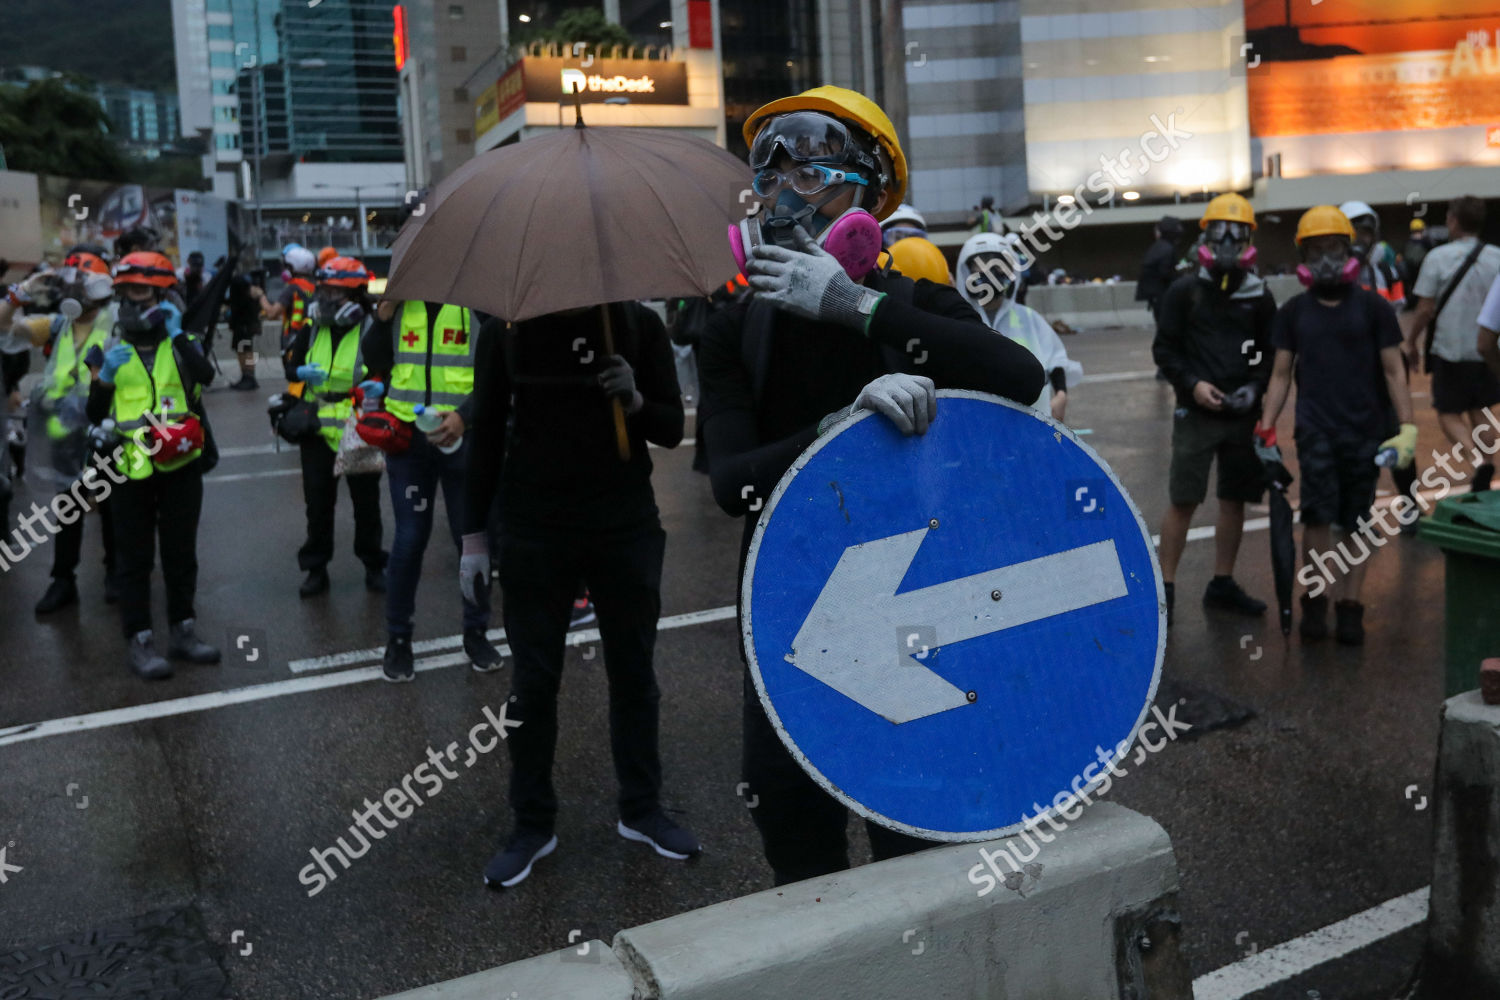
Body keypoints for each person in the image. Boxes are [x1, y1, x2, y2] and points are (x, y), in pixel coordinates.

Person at [698, 86, 1045, 885]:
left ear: (868, 194)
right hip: (789, 614)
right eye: (772, 181)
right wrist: (830, 435)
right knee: (795, 835)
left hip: (918, 606)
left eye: (810, 179)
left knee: (915, 841)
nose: (786, 199)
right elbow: (729, 484)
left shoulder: (909, 303)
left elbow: (1019, 376)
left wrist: (856, 306)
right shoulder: (732, 327)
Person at [460, 298, 693, 887]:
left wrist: (635, 400)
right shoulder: (506, 332)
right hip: (536, 528)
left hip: (626, 525)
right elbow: (483, 430)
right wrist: (472, 538)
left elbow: (669, 428)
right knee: (533, 685)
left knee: (635, 674)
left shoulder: (636, 325)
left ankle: (641, 810)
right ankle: (532, 823)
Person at [1257, 207, 1417, 643]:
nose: (1326, 257)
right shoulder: (1293, 312)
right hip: (1316, 430)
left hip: (1365, 429)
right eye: (1316, 249)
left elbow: (1393, 371)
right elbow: (1280, 374)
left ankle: (1350, 606)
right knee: (1317, 516)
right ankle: (1316, 599)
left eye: (1334, 248)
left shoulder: (1374, 308)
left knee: (1358, 520)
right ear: (1303, 255)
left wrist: (1407, 427)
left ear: (1350, 251)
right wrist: (1267, 426)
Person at [86, 252, 220, 679]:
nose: (129, 300)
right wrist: (104, 377)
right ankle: (140, 639)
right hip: (130, 467)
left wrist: (180, 337)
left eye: (139, 291)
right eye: (123, 291)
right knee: (134, 557)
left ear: (162, 295)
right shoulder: (109, 345)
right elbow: (94, 412)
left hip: (181, 461)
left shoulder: (184, 342)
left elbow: (207, 377)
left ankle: (183, 630)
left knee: (181, 551)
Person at [1151, 193, 1277, 626]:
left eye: (1237, 233)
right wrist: (1193, 385)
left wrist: (1254, 388)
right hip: (1196, 412)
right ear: (1205, 236)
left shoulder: (1260, 297)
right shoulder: (1184, 290)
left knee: (1234, 498)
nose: (1227, 241)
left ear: (1248, 239)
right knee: (1183, 498)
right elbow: (1164, 349)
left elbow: (1270, 354)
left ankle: (1221, 582)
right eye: (1219, 232)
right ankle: (1164, 588)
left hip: (1241, 416)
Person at [361, 297, 503, 680]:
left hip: (463, 441)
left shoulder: (477, 303)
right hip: (409, 445)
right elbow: (373, 362)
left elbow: (498, 369)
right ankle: (399, 640)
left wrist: (464, 415)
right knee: (409, 540)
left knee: (470, 540)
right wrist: (382, 316)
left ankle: (476, 634)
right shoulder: (400, 304)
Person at [0, 252, 119, 612]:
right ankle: (63, 580)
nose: (70, 292)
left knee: (112, 507)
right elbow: (5, 326)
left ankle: (115, 572)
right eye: (67, 285)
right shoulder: (59, 324)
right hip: (66, 433)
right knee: (69, 508)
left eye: (77, 286)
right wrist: (21, 292)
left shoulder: (118, 323)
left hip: (107, 430)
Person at [283, 256, 387, 597]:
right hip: (317, 428)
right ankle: (316, 569)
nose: (326, 298)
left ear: (356, 295)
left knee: (365, 504)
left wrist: (380, 386)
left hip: (358, 426)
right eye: (324, 290)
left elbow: (388, 369)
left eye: (335, 293)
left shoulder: (372, 328)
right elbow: (291, 367)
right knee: (318, 504)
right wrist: (299, 373)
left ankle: (374, 565)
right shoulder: (313, 328)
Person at [1406, 196, 1500, 493]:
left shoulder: (1438, 257)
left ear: (1454, 221)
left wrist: (1411, 342)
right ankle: (1488, 461)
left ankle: (1477, 459)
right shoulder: (1497, 257)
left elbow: (1424, 309)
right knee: (1480, 411)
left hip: (1450, 348)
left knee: (1448, 412)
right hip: (1488, 349)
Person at [955, 233, 1081, 424]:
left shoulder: (1028, 318)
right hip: (976, 424)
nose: (991, 272)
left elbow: (1056, 358)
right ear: (967, 271)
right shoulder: (954, 318)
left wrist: (1061, 394)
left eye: (999, 264)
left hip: (1032, 422)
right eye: (982, 263)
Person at [251, 245, 319, 392]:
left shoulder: (291, 289)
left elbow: (272, 313)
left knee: (295, 379)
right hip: (312, 339)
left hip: (292, 342)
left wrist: (260, 295)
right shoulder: (314, 288)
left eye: (286, 266)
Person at [1339, 202, 1405, 307]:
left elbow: (1396, 312)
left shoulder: (1387, 273)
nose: (1359, 240)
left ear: (1374, 238)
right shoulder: (1329, 277)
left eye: (1364, 233)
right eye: (1353, 234)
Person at [1136, 216, 1184, 322]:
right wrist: (1180, 278)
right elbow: (1165, 272)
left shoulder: (1158, 247)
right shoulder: (1167, 248)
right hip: (1163, 294)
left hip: (1156, 295)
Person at [1400, 218, 1432, 303]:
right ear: (1422, 229)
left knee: (1411, 286)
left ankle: (1412, 301)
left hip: (1409, 269)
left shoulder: (1408, 241)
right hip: (1422, 268)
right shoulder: (1426, 241)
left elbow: (1403, 254)